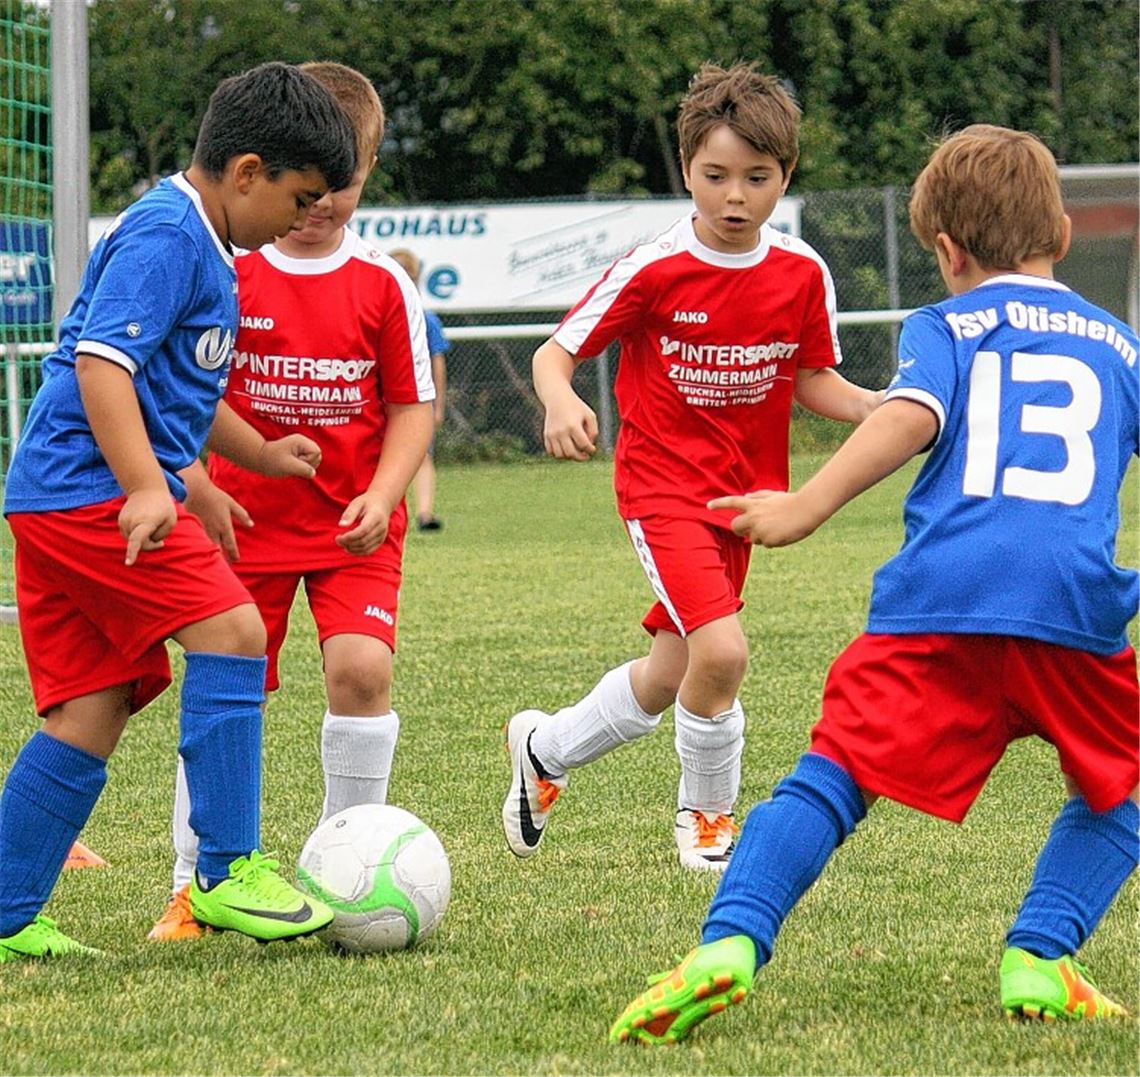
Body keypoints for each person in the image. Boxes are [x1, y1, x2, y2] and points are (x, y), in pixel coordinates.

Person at [609, 124, 1139, 1043]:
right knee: (1120, 788)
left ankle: (727, 945)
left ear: (945, 250)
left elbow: (909, 416)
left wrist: (805, 504)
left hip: (941, 598)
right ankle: (1041, 956)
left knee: (835, 775)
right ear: (1058, 230)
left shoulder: (944, 326)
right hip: (1074, 607)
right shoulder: (1121, 345)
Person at [0, 62, 359, 961]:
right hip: (88, 492)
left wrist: (238, 464)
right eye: (300, 197)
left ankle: (5, 910)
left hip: (58, 495)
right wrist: (149, 486)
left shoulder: (208, 241)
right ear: (246, 172)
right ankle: (227, 870)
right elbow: (101, 367)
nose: (305, 218)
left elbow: (177, 388)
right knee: (236, 632)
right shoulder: (167, 234)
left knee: (92, 705)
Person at [501, 62, 881, 873]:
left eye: (757, 177)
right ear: (686, 171)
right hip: (660, 488)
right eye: (715, 176)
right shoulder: (656, 267)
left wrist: (876, 408)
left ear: (786, 175)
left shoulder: (801, 272)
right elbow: (555, 353)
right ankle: (708, 821)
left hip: (744, 499)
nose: (735, 196)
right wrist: (560, 401)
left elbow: (812, 376)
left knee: (671, 671)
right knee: (724, 653)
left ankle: (546, 747)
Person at [147, 63, 436, 941]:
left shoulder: (386, 284)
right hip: (239, 526)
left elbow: (413, 404)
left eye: (340, 184)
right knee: (228, 691)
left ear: (368, 170)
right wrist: (199, 488)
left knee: (362, 672)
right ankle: (193, 884)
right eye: (305, 186)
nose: (319, 205)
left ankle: (340, 871)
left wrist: (386, 495)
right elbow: (189, 395)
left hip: (354, 527)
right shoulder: (227, 270)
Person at [389, 247, 451, 531]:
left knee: (421, 455)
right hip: (381, 400)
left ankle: (425, 513)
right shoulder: (378, 311)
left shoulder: (425, 319)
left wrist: (437, 406)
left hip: (415, 401)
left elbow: (437, 362)